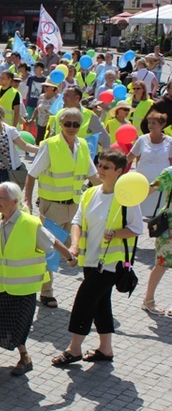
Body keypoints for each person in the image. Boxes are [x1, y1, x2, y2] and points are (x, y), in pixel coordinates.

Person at [0, 182, 75, 377]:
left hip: (25, 287)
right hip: (2, 285)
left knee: (19, 324)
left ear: (14, 201)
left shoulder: (30, 224)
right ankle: (18, 357)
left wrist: (69, 257)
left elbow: (52, 241)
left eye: (2, 198)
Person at [52, 150, 142, 367]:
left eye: (106, 167)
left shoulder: (126, 197)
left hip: (110, 264)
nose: (100, 170)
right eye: (99, 165)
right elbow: (77, 221)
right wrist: (73, 245)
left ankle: (74, 349)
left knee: (84, 301)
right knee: (101, 303)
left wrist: (116, 234)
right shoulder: (90, 193)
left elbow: (137, 228)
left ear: (119, 171)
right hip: (90, 260)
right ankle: (105, 349)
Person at [26, 107, 100, 309]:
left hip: (76, 206)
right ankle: (46, 292)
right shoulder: (50, 145)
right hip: (52, 206)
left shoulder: (83, 145)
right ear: (60, 124)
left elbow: (93, 177)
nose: (72, 127)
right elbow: (32, 174)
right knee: (49, 249)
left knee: (77, 249)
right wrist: (27, 200)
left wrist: (110, 191)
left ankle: (87, 292)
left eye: (76, 124)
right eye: (68, 123)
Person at [128, 112, 172, 217]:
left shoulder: (170, 142)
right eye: (149, 123)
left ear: (162, 125)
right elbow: (129, 157)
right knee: (139, 212)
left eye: (154, 123)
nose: (150, 126)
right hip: (143, 182)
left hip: (161, 185)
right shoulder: (142, 140)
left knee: (159, 214)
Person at [144, 167, 172, 315]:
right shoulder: (170, 172)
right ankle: (148, 300)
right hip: (169, 228)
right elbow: (149, 189)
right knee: (161, 264)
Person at [0, 104, 38, 185]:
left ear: (2, 117)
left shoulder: (10, 130)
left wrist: (41, 150)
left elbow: (24, 145)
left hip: (8, 171)